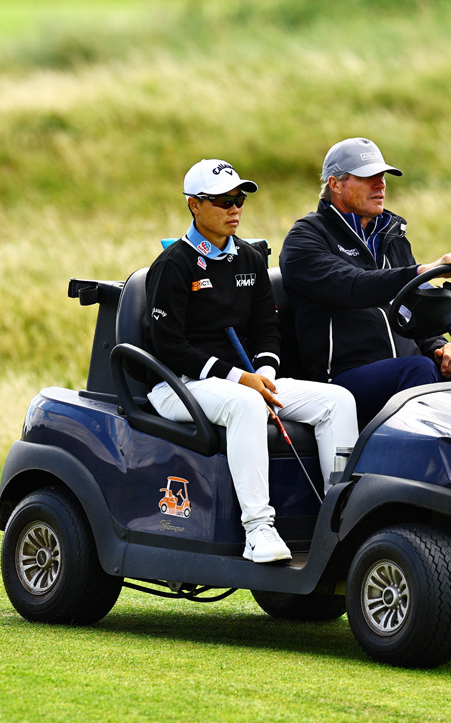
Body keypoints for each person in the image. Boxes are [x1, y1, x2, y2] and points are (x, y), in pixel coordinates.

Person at [144, 158, 358, 564]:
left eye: (239, 199)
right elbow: (168, 346)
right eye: (223, 201)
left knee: (338, 401)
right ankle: (258, 528)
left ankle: (341, 522)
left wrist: (264, 372)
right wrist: (240, 379)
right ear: (194, 205)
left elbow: (266, 331)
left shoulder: (250, 260)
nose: (235, 208)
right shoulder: (173, 266)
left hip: (243, 379)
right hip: (177, 385)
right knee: (247, 404)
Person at [279, 137, 451, 426]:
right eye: (368, 177)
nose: (380, 185)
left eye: (382, 177)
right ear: (335, 184)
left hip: (412, 369)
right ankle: (424, 468)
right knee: (418, 370)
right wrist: (419, 271)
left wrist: (439, 346)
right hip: (342, 380)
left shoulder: (392, 236)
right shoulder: (305, 239)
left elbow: (417, 308)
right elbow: (353, 286)